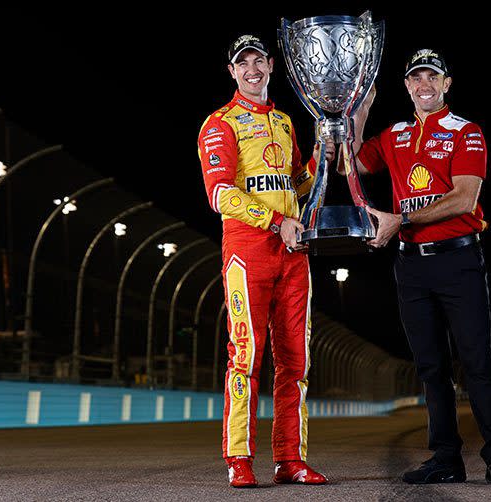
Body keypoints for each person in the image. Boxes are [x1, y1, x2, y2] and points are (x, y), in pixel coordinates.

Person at [341, 49, 491, 485]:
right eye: (416, 78)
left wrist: (401, 218)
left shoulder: (466, 131)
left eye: (432, 77)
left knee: (477, 361)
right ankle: (446, 459)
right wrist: (359, 111)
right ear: (406, 85)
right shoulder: (395, 134)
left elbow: (465, 198)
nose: (424, 85)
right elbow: (351, 166)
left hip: (459, 260)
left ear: (446, 84)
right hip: (411, 267)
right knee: (431, 367)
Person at [197, 34, 333, 488]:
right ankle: (239, 457)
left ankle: (290, 459)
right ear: (232, 72)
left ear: (270, 65)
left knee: (296, 362)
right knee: (246, 357)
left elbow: (300, 183)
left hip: (293, 255)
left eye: (258, 60)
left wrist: (325, 156)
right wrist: (277, 222)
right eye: (243, 64)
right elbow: (220, 194)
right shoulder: (220, 123)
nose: (252, 69)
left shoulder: (286, 121)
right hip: (247, 254)